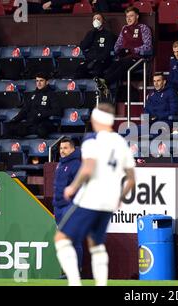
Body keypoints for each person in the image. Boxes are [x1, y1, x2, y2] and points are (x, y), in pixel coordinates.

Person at [54, 103, 136, 286]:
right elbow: (131, 179)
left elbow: (88, 167)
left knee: (62, 239)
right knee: (96, 244)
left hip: (91, 198)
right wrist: (120, 198)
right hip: (108, 202)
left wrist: (72, 187)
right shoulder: (121, 143)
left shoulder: (92, 139)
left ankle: (74, 281)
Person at [100, 6, 152, 90]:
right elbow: (117, 45)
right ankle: (103, 83)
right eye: (127, 16)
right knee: (114, 65)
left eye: (131, 16)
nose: (128, 18)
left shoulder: (143, 28)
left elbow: (148, 46)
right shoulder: (124, 28)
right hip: (124, 57)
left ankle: (105, 83)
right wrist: (119, 50)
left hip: (138, 59)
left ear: (137, 16)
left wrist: (132, 50)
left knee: (123, 65)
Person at [53, 138, 83, 271]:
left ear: (72, 149)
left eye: (65, 148)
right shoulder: (60, 165)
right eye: (60, 148)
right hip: (59, 207)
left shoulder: (76, 164)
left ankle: (76, 269)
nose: (62, 151)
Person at [4, 72, 61, 138]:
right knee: (10, 128)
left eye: (41, 81)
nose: (39, 83)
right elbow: (24, 110)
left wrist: (41, 114)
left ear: (47, 82)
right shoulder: (32, 94)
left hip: (44, 122)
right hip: (31, 123)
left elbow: (58, 111)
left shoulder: (52, 95)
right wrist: (14, 120)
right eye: (37, 81)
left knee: (42, 130)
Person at [75, 13, 115, 80]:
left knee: (97, 71)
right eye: (94, 19)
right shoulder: (90, 33)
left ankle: (98, 88)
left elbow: (107, 51)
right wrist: (93, 33)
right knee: (79, 71)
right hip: (90, 60)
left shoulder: (109, 34)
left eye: (98, 19)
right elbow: (83, 46)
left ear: (103, 21)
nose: (96, 21)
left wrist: (96, 59)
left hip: (102, 60)